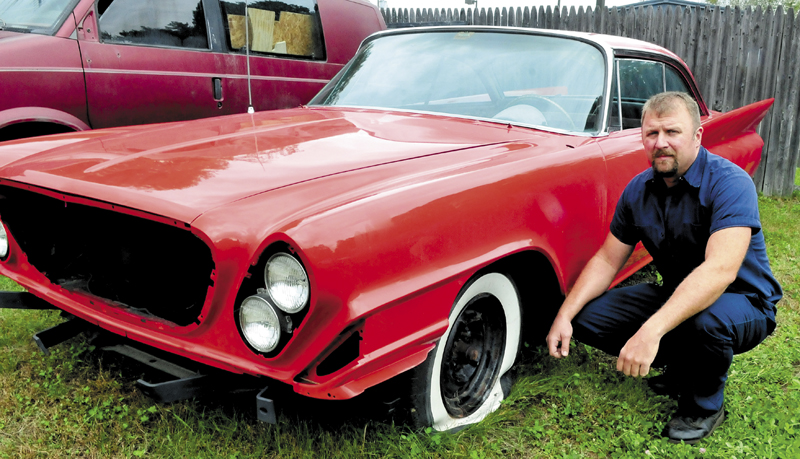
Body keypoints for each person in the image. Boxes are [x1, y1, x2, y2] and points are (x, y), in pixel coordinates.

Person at [545, 91, 782, 444]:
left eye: (672, 132)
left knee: (707, 322)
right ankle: (684, 366)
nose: (661, 143)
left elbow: (720, 271)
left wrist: (650, 332)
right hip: (677, 295)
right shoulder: (637, 191)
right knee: (586, 317)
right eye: (651, 134)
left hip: (743, 302)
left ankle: (703, 407)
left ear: (697, 136)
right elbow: (608, 259)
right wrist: (564, 315)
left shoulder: (730, 183)